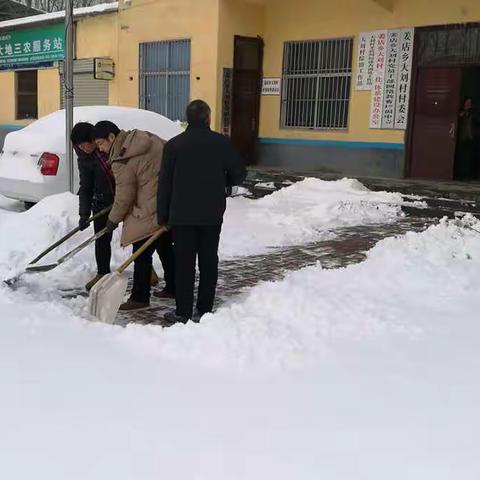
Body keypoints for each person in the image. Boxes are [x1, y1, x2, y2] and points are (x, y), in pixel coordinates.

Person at [157, 100, 246, 324]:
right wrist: (222, 180)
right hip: (211, 214)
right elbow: (239, 173)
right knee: (208, 262)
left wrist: (163, 216)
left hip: (182, 216)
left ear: (188, 119)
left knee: (184, 265)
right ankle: (205, 309)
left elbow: (164, 183)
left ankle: (183, 311)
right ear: (207, 118)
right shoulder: (221, 143)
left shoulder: (174, 145)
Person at [93, 120, 175, 311]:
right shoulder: (142, 138)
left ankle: (139, 297)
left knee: (141, 252)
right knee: (164, 246)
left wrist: (113, 219)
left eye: (101, 144)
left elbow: (125, 196)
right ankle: (174, 287)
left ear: (111, 137)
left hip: (146, 209)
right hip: (167, 202)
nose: (101, 150)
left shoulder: (122, 158)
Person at [71, 122, 115, 291]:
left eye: (85, 144)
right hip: (101, 202)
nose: (83, 148)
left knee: (134, 236)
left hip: (124, 198)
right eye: (79, 146)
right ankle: (102, 273)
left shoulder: (106, 149)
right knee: (102, 239)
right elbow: (86, 187)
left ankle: (148, 271)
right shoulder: (83, 158)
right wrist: (83, 214)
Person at [455, 97, 478, 180]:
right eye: (467, 103)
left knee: (468, 158)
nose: (468, 104)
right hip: (462, 138)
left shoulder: (473, 114)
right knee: (461, 157)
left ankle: (467, 175)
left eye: (470, 103)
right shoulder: (460, 113)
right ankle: (460, 175)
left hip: (470, 138)